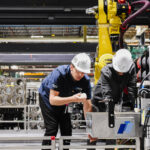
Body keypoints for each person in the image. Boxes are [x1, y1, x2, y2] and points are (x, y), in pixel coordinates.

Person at [38, 53, 92, 150]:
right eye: (79, 71)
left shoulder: (85, 81)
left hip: (65, 99)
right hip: (47, 98)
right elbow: (53, 100)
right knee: (52, 128)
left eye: (83, 72)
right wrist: (73, 99)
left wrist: (91, 127)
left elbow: (87, 105)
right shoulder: (59, 74)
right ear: (72, 67)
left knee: (67, 130)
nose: (81, 75)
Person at [88, 49, 137, 149]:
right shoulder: (106, 71)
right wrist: (110, 111)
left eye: (123, 72)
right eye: (119, 71)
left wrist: (135, 106)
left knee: (111, 131)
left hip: (113, 100)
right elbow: (107, 93)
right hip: (99, 100)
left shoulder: (131, 68)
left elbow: (132, 87)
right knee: (94, 131)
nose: (121, 74)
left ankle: (110, 147)